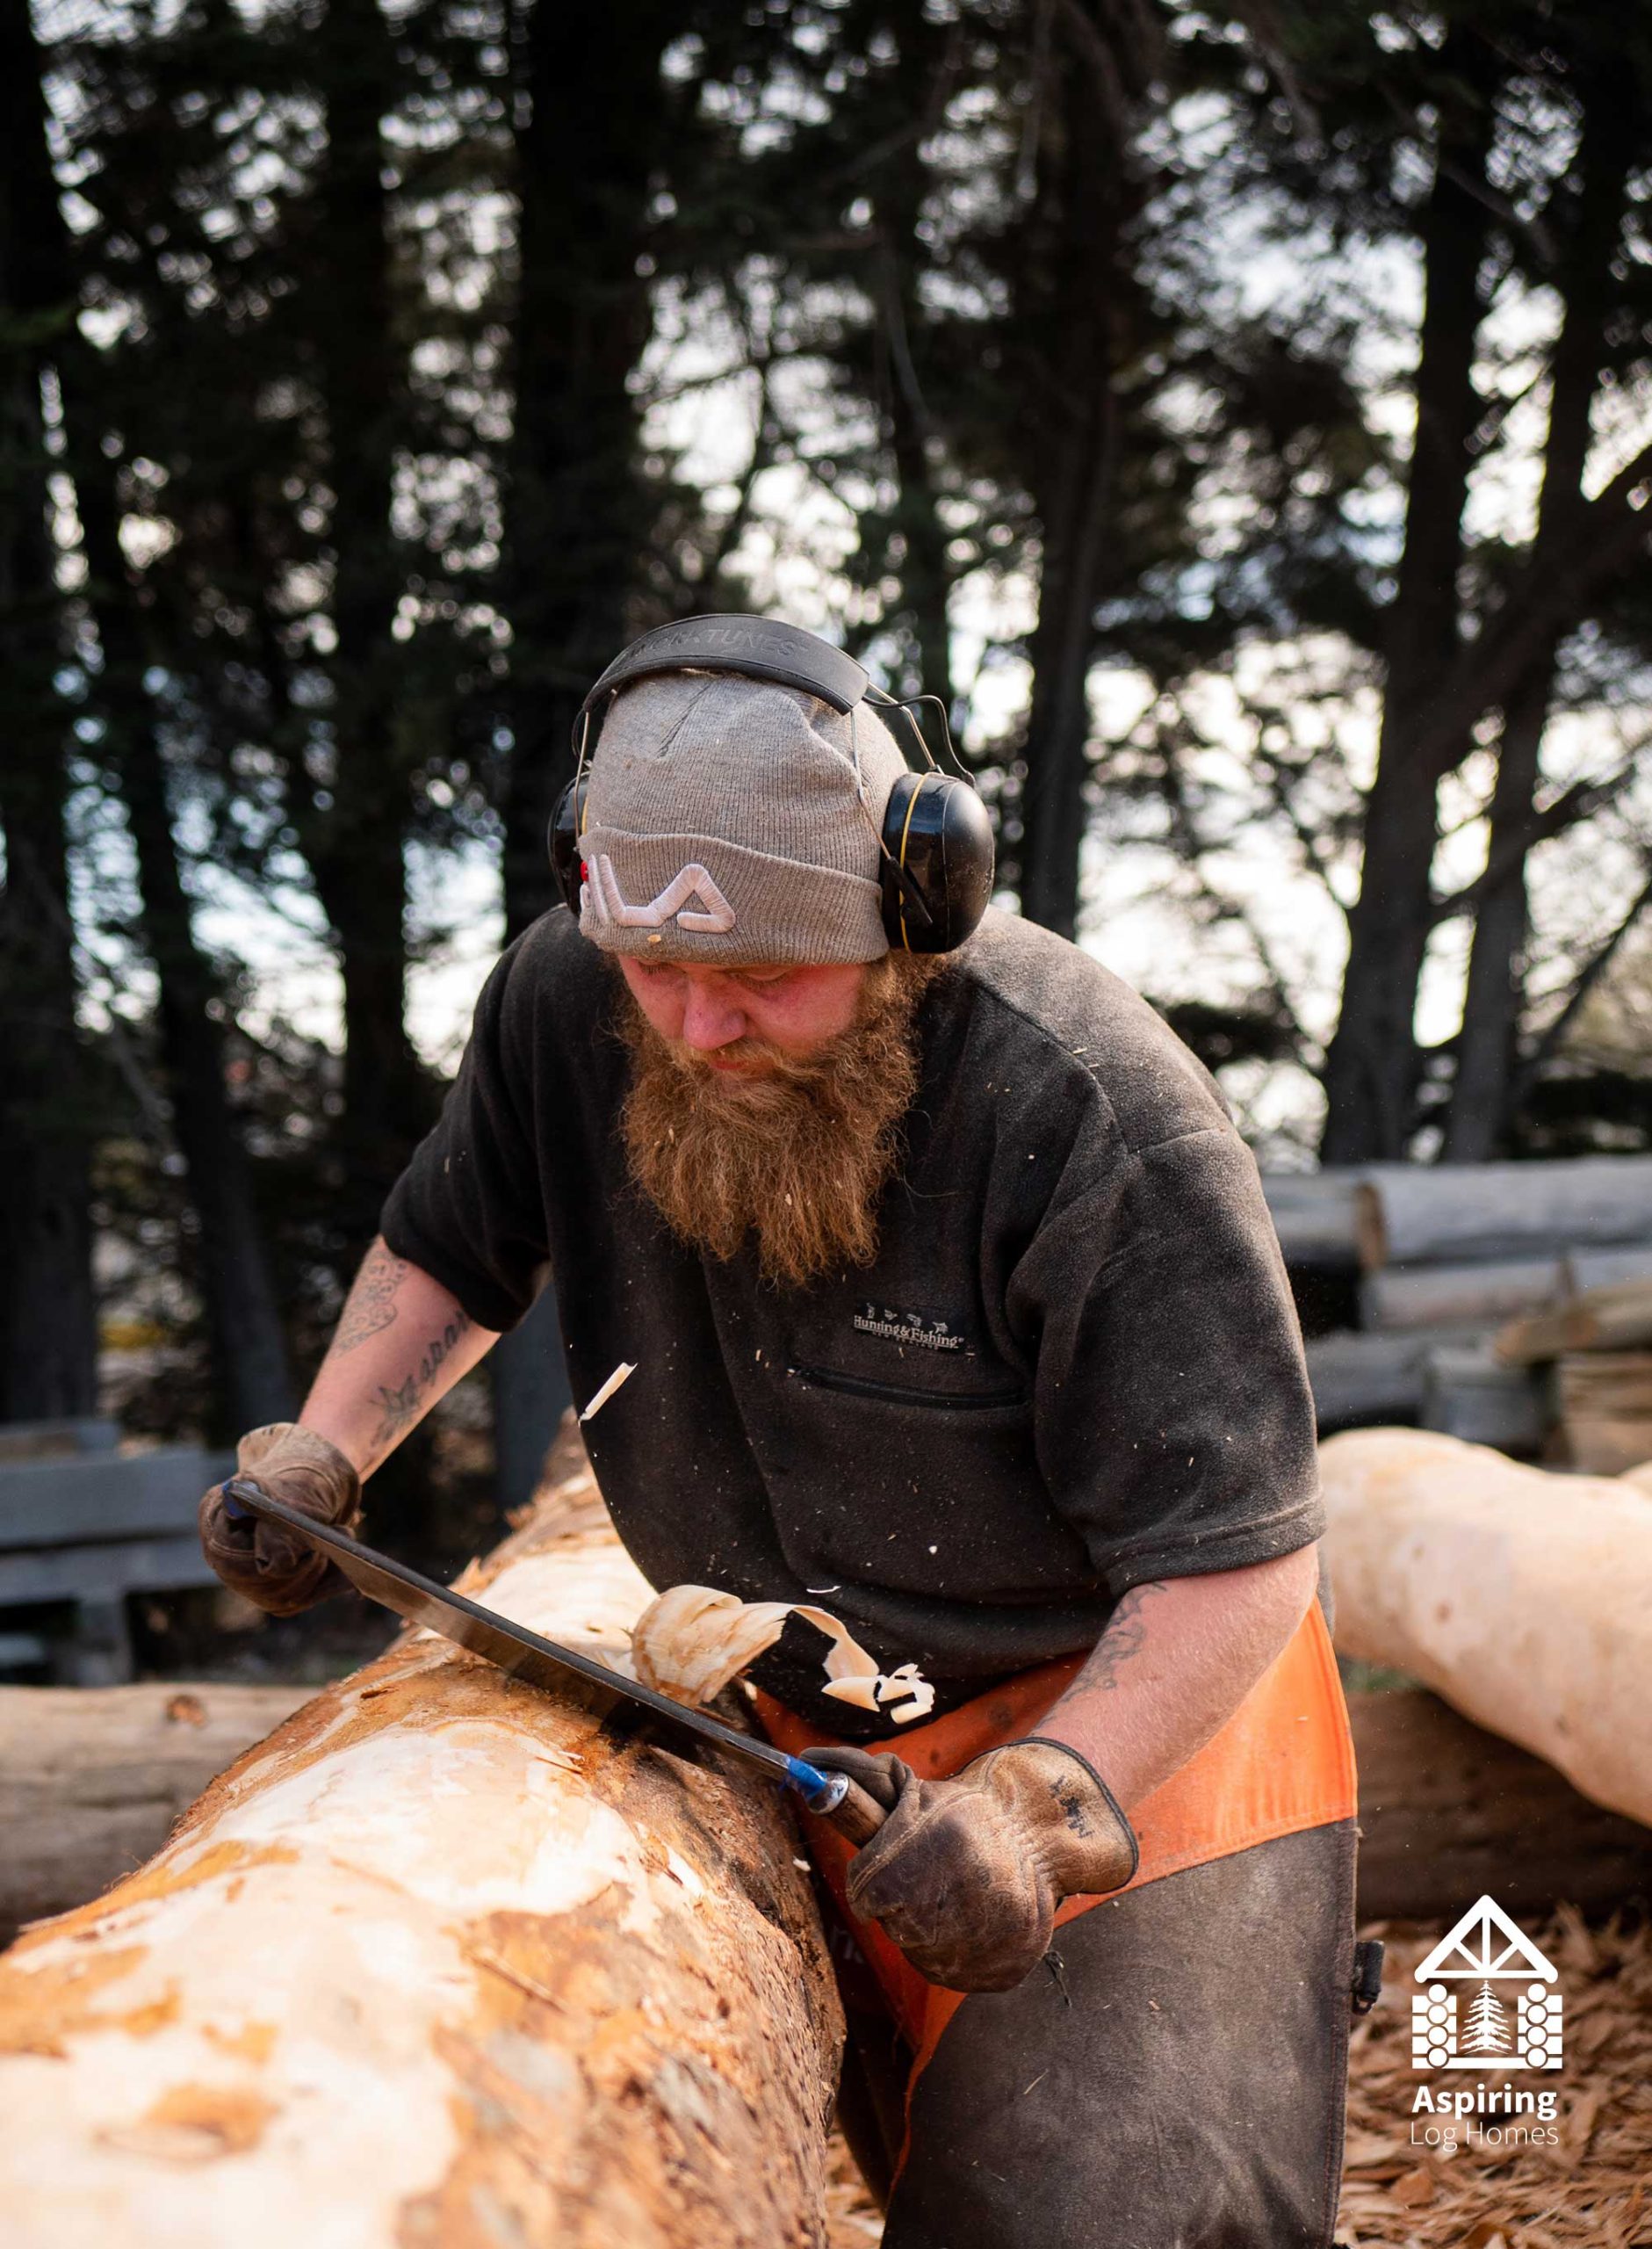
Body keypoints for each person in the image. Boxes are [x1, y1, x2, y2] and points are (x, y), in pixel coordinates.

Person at [199, 617, 1360, 2249]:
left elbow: (1239, 1566)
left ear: (910, 915)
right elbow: (453, 1249)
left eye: (757, 977)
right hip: (815, 1722)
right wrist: (325, 1457)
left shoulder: (1085, 1108)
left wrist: (1039, 1802)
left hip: (1136, 1716)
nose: (693, 1027)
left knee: (1112, 2215)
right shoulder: (565, 1000)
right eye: (654, 969)